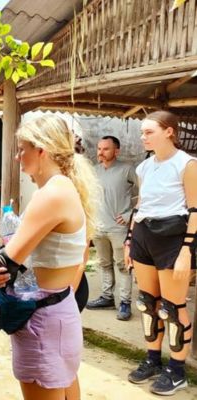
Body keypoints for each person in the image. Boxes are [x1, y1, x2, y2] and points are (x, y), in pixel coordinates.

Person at [0, 115, 99, 400]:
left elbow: (8, 260)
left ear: (41, 150)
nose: (18, 157)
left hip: (42, 318)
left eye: (22, 149)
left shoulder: (51, 194)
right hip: (60, 308)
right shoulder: (65, 187)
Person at [124, 111, 195, 396]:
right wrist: (130, 239)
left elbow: (195, 210)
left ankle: (177, 371)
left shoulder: (187, 164)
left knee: (172, 309)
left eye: (149, 132)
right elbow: (141, 206)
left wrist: (187, 251)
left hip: (172, 237)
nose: (143, 137)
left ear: (169, 132)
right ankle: (153, 360)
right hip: (143, 235)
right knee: (146, 303)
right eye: (142, 132)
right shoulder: (145, 167)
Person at [86, 136, 138, 321]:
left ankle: (124, 302)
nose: (100, 152)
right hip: (98, 227)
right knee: (104, 264)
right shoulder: (94, 171)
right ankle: (107, 297)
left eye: (106, 148)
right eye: (99, 148)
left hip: (118, 228)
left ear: (116, 151)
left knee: (123, 266)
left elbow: (144, 193)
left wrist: (129, 214)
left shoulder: (127, 170)